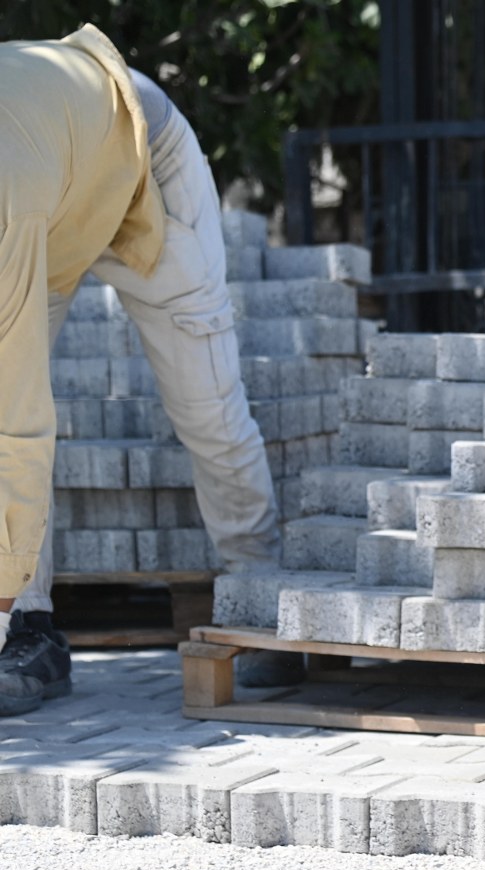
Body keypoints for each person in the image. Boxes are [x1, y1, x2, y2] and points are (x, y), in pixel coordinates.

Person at [0, 30, 295, 715]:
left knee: (205, 406)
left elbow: (14, 421)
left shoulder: (5, 201)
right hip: (59, 198)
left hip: (142, 161)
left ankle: (261, 596)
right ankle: (29, 632)